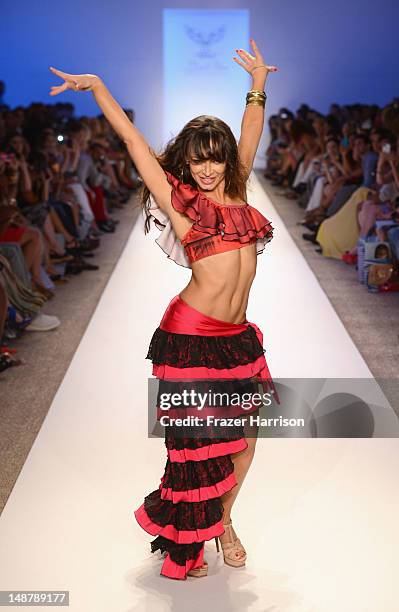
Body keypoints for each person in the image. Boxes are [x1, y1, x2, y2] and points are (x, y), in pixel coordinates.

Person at [48, 37, 279, 580]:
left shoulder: (239, 195)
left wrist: (258, 86)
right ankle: (191, 544)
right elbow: (132, 141)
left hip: (237, 338)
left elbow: (250, 134)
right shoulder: (183, 204)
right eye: (197, 161)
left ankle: (223, 521)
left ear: (225, 160)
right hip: (190, 338)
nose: (205, 170)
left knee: (245, 443)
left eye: (213, 159)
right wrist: (100, 87)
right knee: (197, 452)